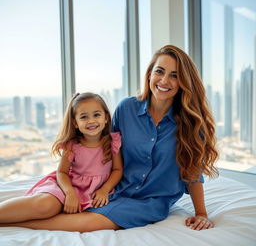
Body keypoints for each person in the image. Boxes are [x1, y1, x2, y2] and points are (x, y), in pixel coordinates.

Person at [0, 45, 218, 232]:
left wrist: (201, 213)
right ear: (149, 74)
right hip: (111, 188)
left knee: (89, 222)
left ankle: (13, 225)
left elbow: (192, 173)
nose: (164, 80)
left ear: (184, 82)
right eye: (159, 71)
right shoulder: (126, 108)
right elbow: (103, 146)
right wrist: (80, 182)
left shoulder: (190, 123)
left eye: (175, 75)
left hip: (148, 202)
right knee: (44, 206)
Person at [0, 92, 123, 224]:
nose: (91, 121)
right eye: (84, 117)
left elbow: (117, 170)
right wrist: (70, 193)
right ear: (75, 123)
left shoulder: (112, 142)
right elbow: (62, 172)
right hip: (68, 186)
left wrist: (104, 190)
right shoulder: (72, 145)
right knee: (45, 206)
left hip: (97, 192)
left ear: (106, 118)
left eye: (96, 115)